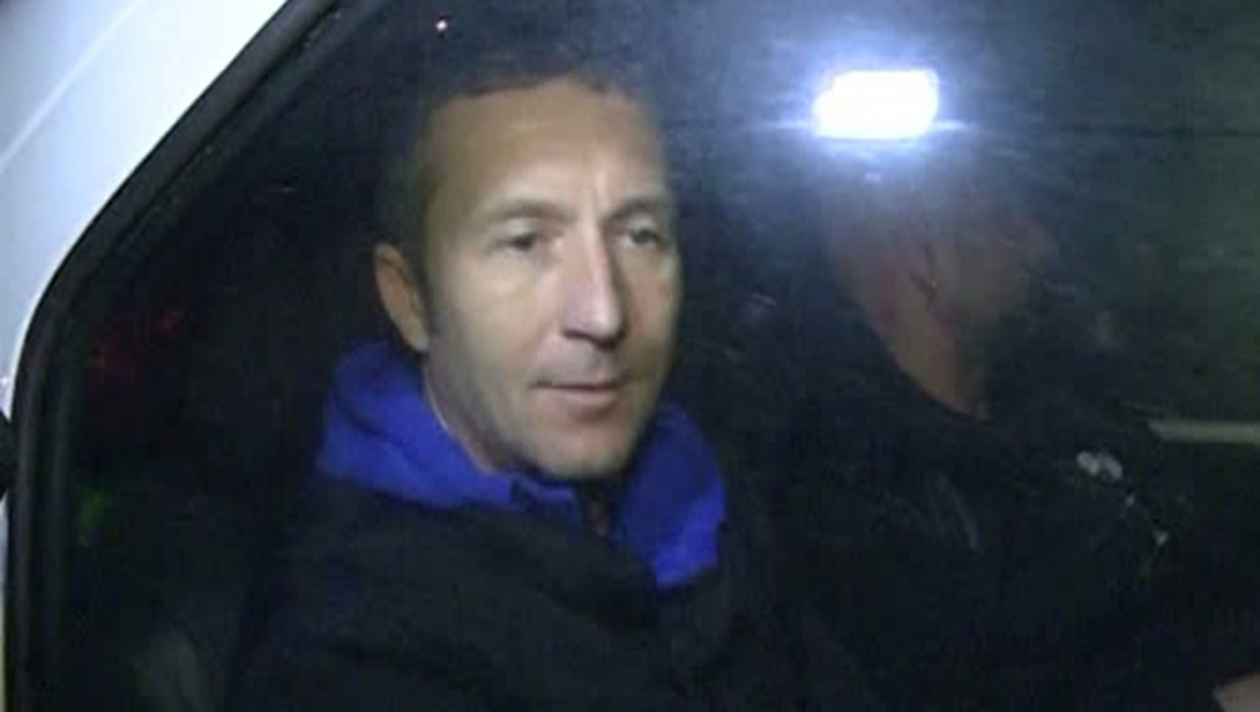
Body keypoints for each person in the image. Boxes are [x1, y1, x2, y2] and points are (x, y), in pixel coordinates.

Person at [231, 39, 850, 712]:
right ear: (411, 300)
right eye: (525, 242)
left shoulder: (705, 486)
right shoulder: (349, 651)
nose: (604, 314)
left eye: (639, 235)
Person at [753, 142, 1259, 712]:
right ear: (927, 260)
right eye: (1004, 223)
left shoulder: (1062, 421)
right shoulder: (864, 501)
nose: (1040, 246)